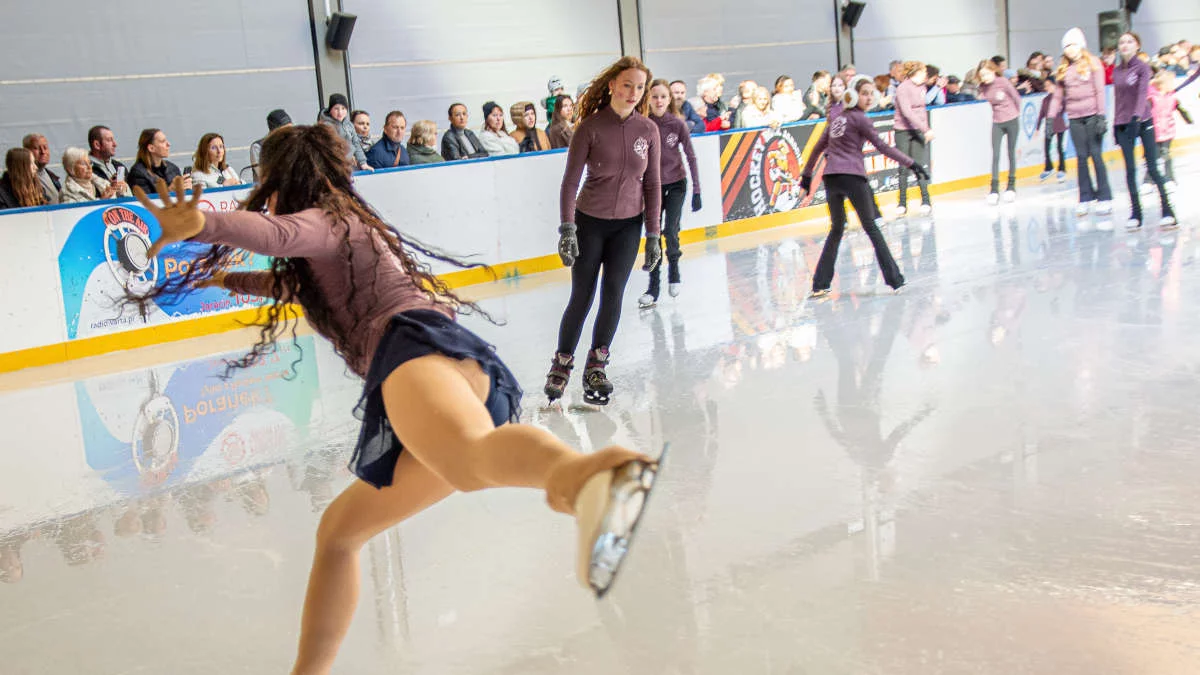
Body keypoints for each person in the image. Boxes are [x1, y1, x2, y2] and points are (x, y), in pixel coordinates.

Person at [125, 123, 662, 673]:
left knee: (473, 459)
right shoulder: (344, 230)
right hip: (452, 360)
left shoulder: (326, 221)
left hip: (413, 352)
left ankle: (587, 475)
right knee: (340, 533)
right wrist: (225, 284)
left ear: (283, 179)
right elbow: (300, 283)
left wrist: (204, 223)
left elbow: (279, 238)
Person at [546, 56, 662, 406]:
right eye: (627, 84)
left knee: (613, 294)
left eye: (639, 87)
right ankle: (562, 363)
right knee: (582, 295)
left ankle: (596, 366)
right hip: (589, 223)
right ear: (612, 84)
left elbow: (653, 184)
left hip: (629, 225)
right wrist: (567, 228)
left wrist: (654, 234)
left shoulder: (648, 130)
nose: (633, 92)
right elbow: (569, 182)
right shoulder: (591, 127)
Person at [800, 77, 929, 298]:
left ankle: (820, 283)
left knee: (837, 228)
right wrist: (911, 163)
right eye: (865, 93)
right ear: (853, 94)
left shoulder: (837, 118)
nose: (869, 98)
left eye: (872, 94)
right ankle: (895, 280)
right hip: (852, 176)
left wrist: (806, 176)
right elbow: (883, 147)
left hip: (832, 178)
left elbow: (817, 149)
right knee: (870, 226)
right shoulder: (861, 119)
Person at [638, 79, 702, 309]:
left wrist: (697, 190)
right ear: (648, 99)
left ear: (669, 99)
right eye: (654, 97)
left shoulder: (677, 124)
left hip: (676, 184)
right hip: (652, 186)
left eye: (663, 97)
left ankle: (674, 270)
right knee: (653, 234)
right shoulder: (643, 125)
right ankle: (653, 287)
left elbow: (691, 156)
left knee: (671, 231)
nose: (659, 101)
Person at [1112, 32, 1174, 230]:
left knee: (1153, 167)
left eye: (1129, 41)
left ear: (1137, 45)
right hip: (1123, 123)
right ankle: (1135, 213)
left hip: (1142, 121)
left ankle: (1168, 210)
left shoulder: (1142, 67)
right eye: (1122, 42)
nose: (1125, 45)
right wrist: (1116, 123)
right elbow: (1119, 99)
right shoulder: (1116, 71)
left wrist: (1136, 118)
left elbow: (1141, 95)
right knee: (1130, 170)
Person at [1049, 27, 1112, 216]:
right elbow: (1057, 97)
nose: (1069, 49)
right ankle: (1085, 196)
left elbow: (1100, 90)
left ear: (1081, 45)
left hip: (1093, 115)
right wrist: (1050, 119)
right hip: (1075, 118)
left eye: (1073, 45)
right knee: (1082, 157)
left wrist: (1101, 115)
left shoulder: (1093, 64)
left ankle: (1104, 195)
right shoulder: (1064, 69)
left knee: (1095, 154)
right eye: (1066, 46)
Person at [892, 61, 934, 216]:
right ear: (916, 72)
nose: (926, 74)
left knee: (919, 166)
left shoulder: (922, 87)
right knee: (903, 167)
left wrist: (924, 129)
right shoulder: (903, 88)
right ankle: (902, 203)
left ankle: (926, 200)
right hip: (903, 131)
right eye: (924, 71)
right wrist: (926, 129)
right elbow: (907, 112)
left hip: (918, 131)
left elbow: (922, 110)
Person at [976, 61, 1021, 204]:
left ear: (994, 71)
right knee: (995, 155)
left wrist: (1015, 113)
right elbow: (980, 98)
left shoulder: (1003, 82)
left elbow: (1016, 98)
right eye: (982, 75)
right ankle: (994, 189)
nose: (985, 77)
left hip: (1012, 120)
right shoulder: (983, 87)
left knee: (1010, 152)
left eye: (987, 74)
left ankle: (1011, 187)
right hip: (997, 122)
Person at [1149, 69, 1192, 188]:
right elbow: (1144, 112)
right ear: (1162, 84)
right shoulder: (1151, 97)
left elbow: (1180, 108)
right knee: (1153, 157)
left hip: (1168, 130)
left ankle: (1169, 178)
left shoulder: (1172, 96)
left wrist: (1189, 120)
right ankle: (1148, 180)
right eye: (1170, 83)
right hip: (1153, 132)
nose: (1172, 86)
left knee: (1166, 154)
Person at [127, 128, 191, 196]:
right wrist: (170, 190)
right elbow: (144, 202)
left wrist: (187, 189)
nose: (168, 144)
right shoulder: (138, 173)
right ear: (151, 148)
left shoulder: (172, 168)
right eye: (163, 141)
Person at [317, 94, 372, 172]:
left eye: (343, 108)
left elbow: (356, 144)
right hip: (333, 167)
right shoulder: (326, 126)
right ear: (330, 110)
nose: (340, 112)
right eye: (336, 109)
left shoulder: (349, 125)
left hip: (349, 165)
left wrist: (363, 163)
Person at [60, 146, 130, 203]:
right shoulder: (67, 192)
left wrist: (120, 191)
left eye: (89, 162)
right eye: (83, 164)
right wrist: (101, 201)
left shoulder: (102, 182)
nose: (89, 167)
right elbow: (76, 216)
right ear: (70, 169)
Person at [1037, 79, 1068, 182]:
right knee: (1046, 147)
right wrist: (1037, 128)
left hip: (1060, 126)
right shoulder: (1045, 100)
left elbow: (1065, 110)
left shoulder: (1061, 98)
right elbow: (1041, 114)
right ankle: (1048, 167)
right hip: (1049, 126)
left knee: (1060, 147)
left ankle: (1062, 169)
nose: (1047, 88)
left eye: (1049, 85)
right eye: (1045, 86)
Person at [250, 109, 293, 179]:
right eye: (285, 131)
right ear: (273, 132)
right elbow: (264, 175)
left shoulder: (294, 145)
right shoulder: (258, 147)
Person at [22, 134, 61, 204]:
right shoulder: (23, 180)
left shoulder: (52, 176)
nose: (43, 152)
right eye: (37, 148)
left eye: (45, 148)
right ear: (26, 151)